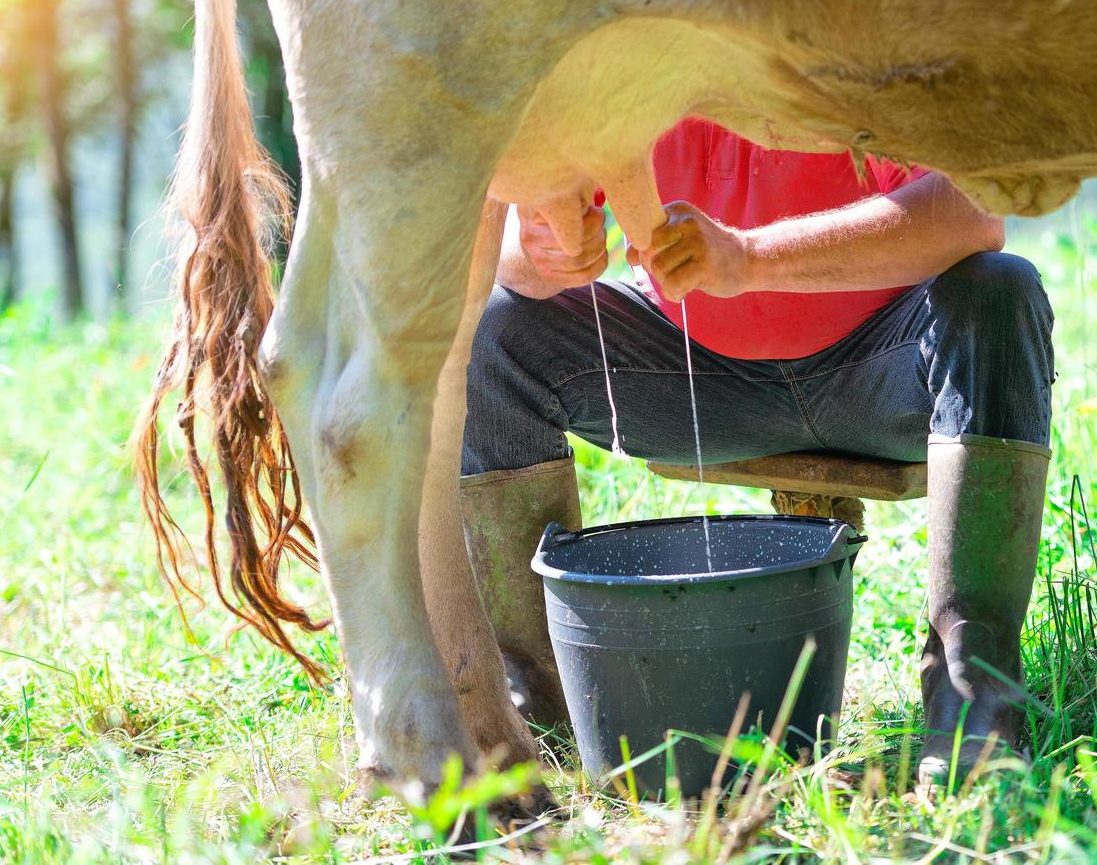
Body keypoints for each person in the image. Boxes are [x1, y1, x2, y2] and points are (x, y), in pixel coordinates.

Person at [452, 117, 1054, 781]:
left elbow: (973, 215)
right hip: (692, 374)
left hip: (886, 368)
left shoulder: (851, 28)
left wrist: (750, 256)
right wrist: (541, 246)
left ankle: (972, 693)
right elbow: (517, 258)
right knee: (498, 328)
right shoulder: (627, 52)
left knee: (1001, 289)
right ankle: (536, 705)